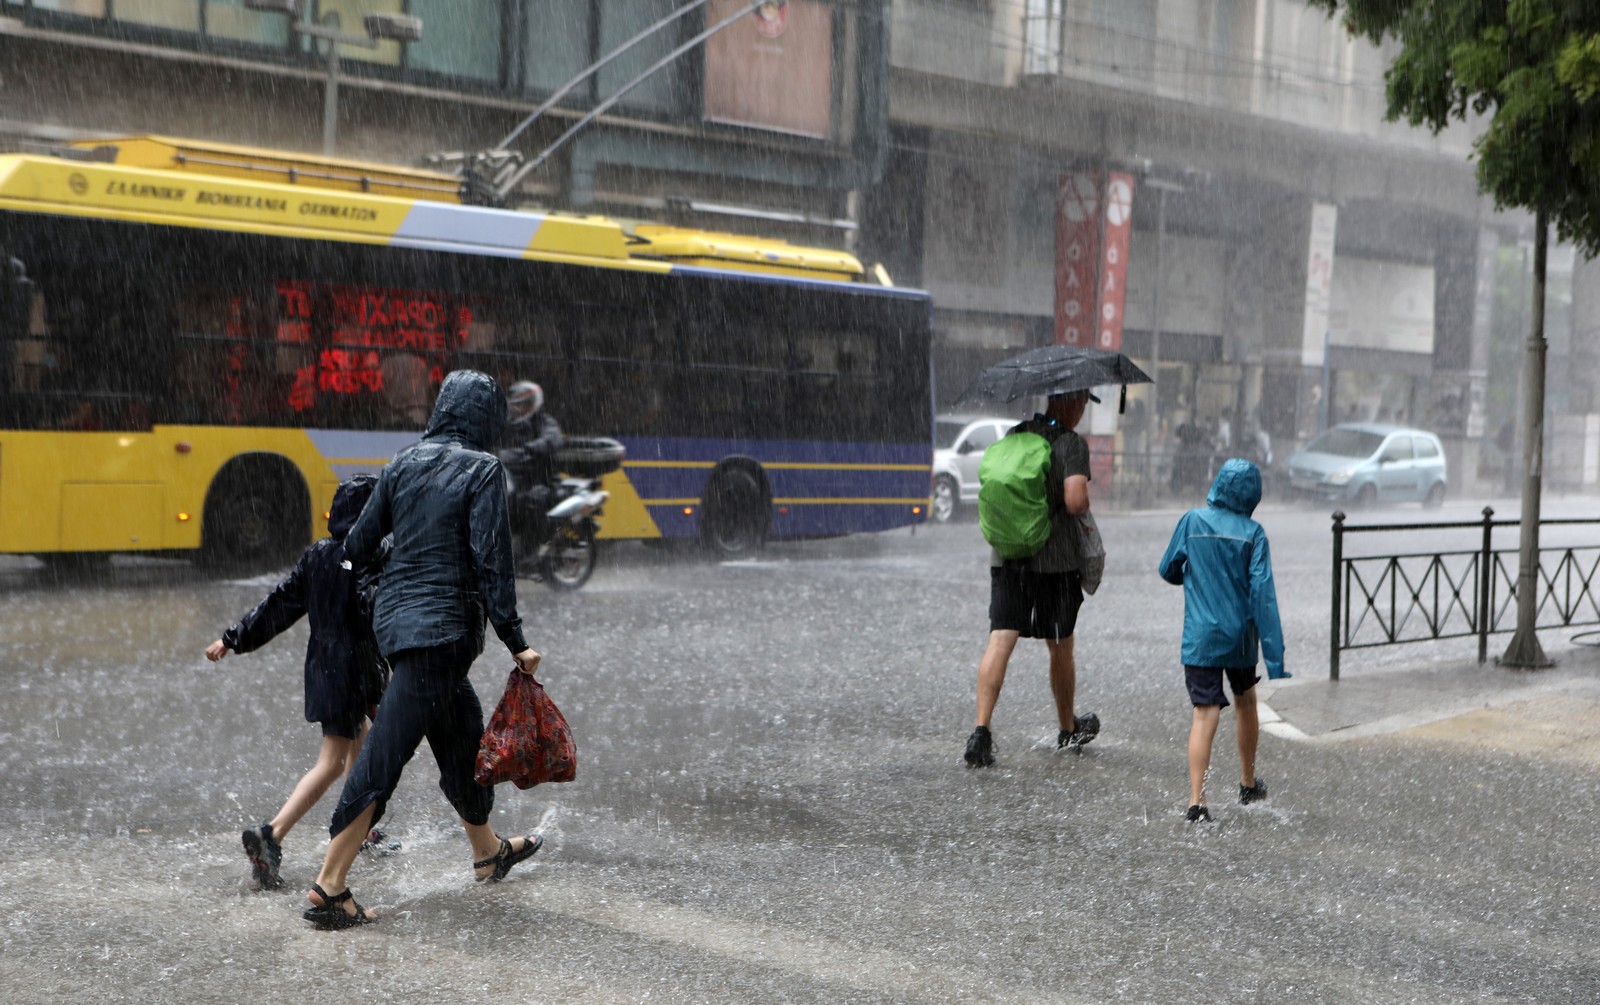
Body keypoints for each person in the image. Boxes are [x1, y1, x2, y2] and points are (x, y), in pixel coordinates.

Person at [302, 369, 545, 929]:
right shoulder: (482, 469)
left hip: (401, 628)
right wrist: (516, 640)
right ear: (486, 418)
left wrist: (409, 554)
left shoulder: (403, 463)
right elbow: (492, 561)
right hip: (445, 631)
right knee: (384, 752)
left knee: (462, 731)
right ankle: (330, 885)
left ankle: (487, 853)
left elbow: (358, 546)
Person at [204, 474, 391, 889]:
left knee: (357, 744)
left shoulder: (318, 554)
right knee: (332, 761)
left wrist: (233, 638)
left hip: (325, 667)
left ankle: (360, 827)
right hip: (354, 670)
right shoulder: (372, 556)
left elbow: (280, 603)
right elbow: (378, 611)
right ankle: (271, 834)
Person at [963, 390, 1101, 768]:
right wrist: (1079, 499)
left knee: (1001, 638)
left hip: (1008, 556)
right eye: (1083, 404)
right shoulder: (1070, 443)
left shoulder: (1016, 434)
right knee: (1059, 645)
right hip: (1054, 562)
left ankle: (981, 731)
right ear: (1071, 404)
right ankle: (1067, 727)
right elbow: (1075, 501)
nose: (1082, 411)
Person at [1157, 457, 1288, 823]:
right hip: (1240, 637)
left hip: (1201, 635)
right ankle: (1247, 783)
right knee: (1246, 701)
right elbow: (1263, 593)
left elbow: (1168, 568)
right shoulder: (1254, 533)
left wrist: (1195, 577)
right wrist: (1275, 657)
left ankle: (1197, 801)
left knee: (1204, 712)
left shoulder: (1192, 521)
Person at [498, 379, 563, 567]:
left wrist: (530, 449)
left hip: (541, 480)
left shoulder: (545, 422)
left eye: (524, 405)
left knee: (530, 502)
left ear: (534, 404)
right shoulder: (508, 425)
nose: (520, 410)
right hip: (513, 478)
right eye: (516, 406)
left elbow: (552, 439)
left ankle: (529, 552)